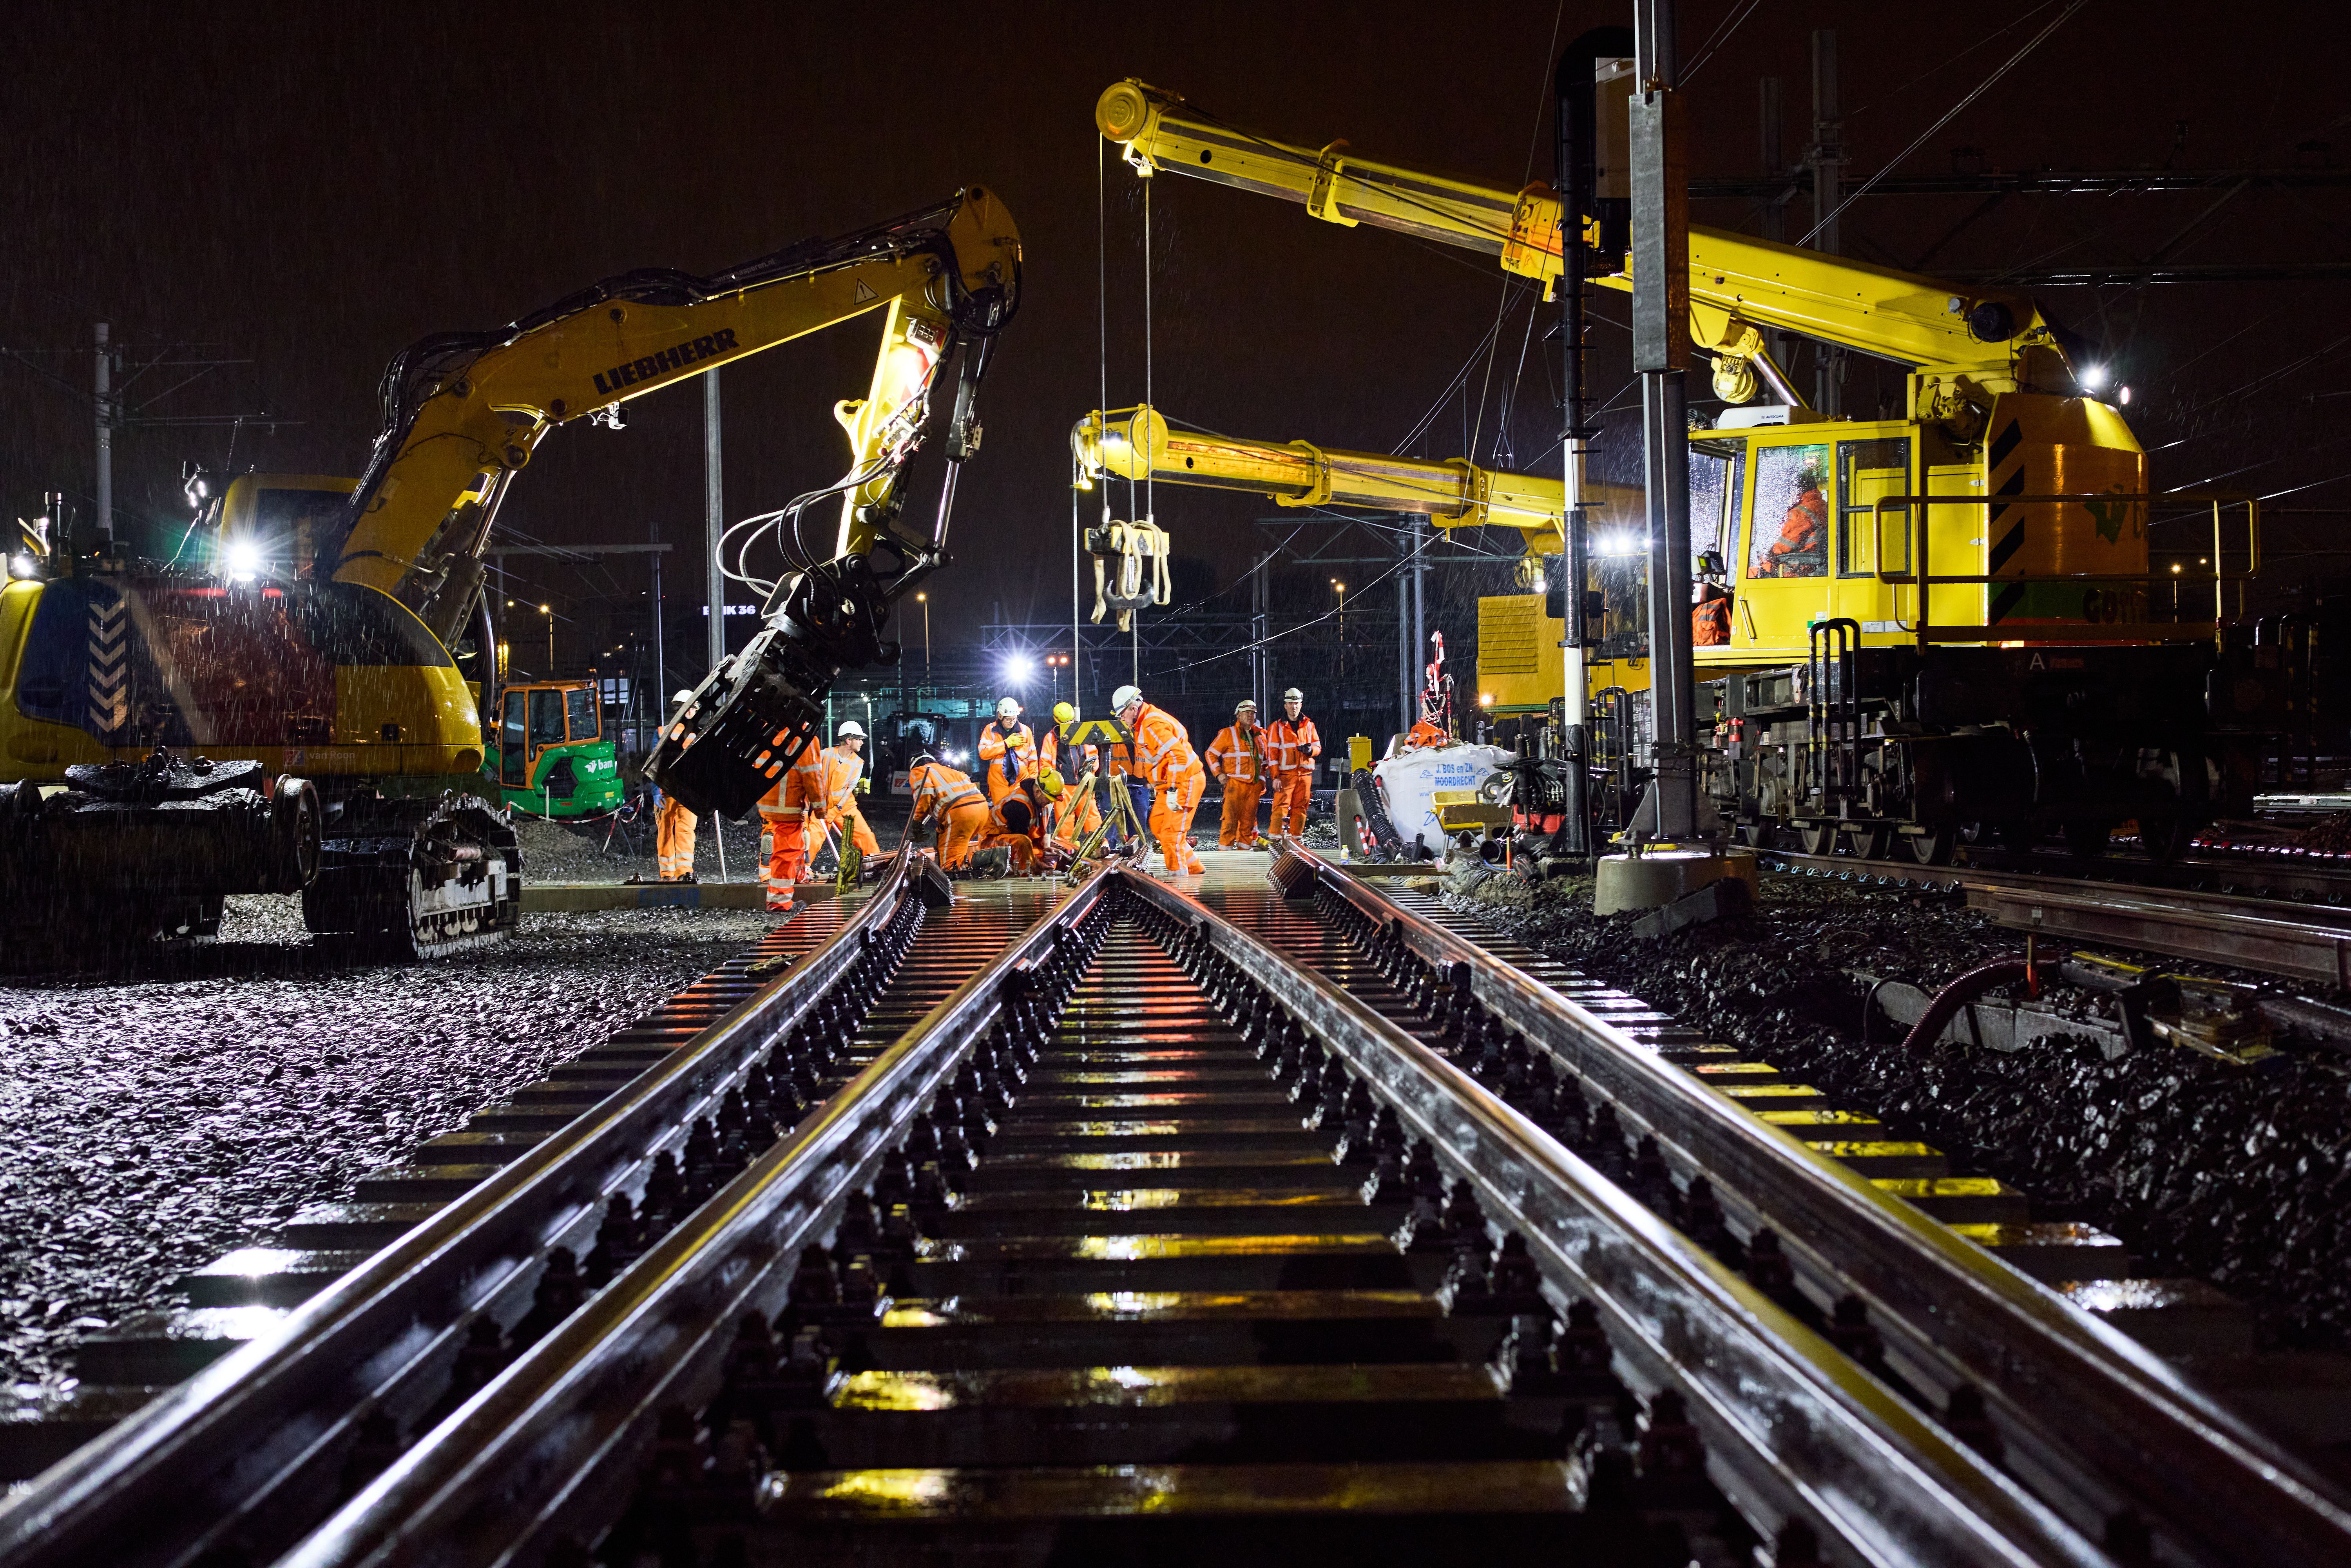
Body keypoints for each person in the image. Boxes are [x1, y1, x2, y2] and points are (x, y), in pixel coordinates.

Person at [1115, 683, 1206, 877]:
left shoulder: (1151, 725)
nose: (1121, 719)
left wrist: (1173, 789)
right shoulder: (1145, 723)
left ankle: (1180, 884)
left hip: (1185, 781)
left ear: (1133, 708)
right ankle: (1194, 867)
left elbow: (1178, 757)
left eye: (1122, 714)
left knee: (1172, 835)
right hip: (1172, 784)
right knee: (1158, 825)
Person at [757, 728, 828, 912]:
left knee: (787, 845)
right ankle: (779, 902)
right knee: (788, 851)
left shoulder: (768, 730)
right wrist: (820, 809)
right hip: (788, 804)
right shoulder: (805, 738)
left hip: (767, 802)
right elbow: (812, 776)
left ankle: (796, 878)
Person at [907, 752, 991, 871]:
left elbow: (924, 797)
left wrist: (917, 822)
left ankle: (992, 858)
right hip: (981, 809)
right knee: (948, 843)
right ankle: (990, 858)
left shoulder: (920, 771)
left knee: (950, 864)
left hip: (960, 813)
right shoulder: (951, 771)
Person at [1204, 698, 1269, 849]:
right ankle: (1225, 859)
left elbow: (1264, 762)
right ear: (1238, 716)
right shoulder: (1228, 734)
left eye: (1252, 713)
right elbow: (1210, 754)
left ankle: (1243, 857)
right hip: (1234, 784)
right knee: (1230, 823)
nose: (1250, 716)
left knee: (1247, 826)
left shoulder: (1261, 737)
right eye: (1246, 713)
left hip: (1253, 787)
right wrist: (1219, 774)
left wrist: (1262, 783)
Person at [1264, 687, 1322, 839]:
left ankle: (1296, 838)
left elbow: (1318, 747)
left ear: (1301, 705)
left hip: (1305, 774)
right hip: (1285, 775)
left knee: (1301, 808)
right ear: (1285, 705)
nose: (1294, 706)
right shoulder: (1276, 727)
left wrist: (1311, 751)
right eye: (1290, 703)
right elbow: (1272, 755)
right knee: (1280, 807)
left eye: (1296, 703)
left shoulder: (1310, 725)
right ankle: (1276, 838)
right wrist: (1275, 777)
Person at [654, 689, 699, 882]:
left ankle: (677, 873)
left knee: (676, 831)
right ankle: (677, 873)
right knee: (677, 831)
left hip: (679, 792)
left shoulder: (664, 731)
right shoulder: (698, 734)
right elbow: (654, 764)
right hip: (675, 792)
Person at [820, 720, 880, 860]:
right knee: (811, 838)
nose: (862, 743)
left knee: (865, 836)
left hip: (845, 807)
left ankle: (876, 864)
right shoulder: (825, 755)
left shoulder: (858, 763)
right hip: (822, 807)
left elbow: (849, 790)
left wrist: (837, 809)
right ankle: (802, 871)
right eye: (859, 739)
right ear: (848, 740)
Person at [1761, 468, 1828, 578]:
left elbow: (1787, 543)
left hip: (1799, 566)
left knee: (1754, 573)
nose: (1788, 496)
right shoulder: (1821, 505)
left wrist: (1771, 554)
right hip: (1811, 561)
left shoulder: (1800, 513)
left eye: (1789, 492)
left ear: (1799, 491)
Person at [975, 696, 1038, 804]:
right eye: (1009, 719)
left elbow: (1033, 759)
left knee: (1021, 815)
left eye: (1015, 719)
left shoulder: (1025, 731)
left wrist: (1033, 783)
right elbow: (983, 753)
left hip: (1022, 783)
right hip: (998, 783)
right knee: (1000, 815)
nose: (1012, 722)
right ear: (1000, 716)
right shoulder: (990, 730)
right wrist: (1006, 744)